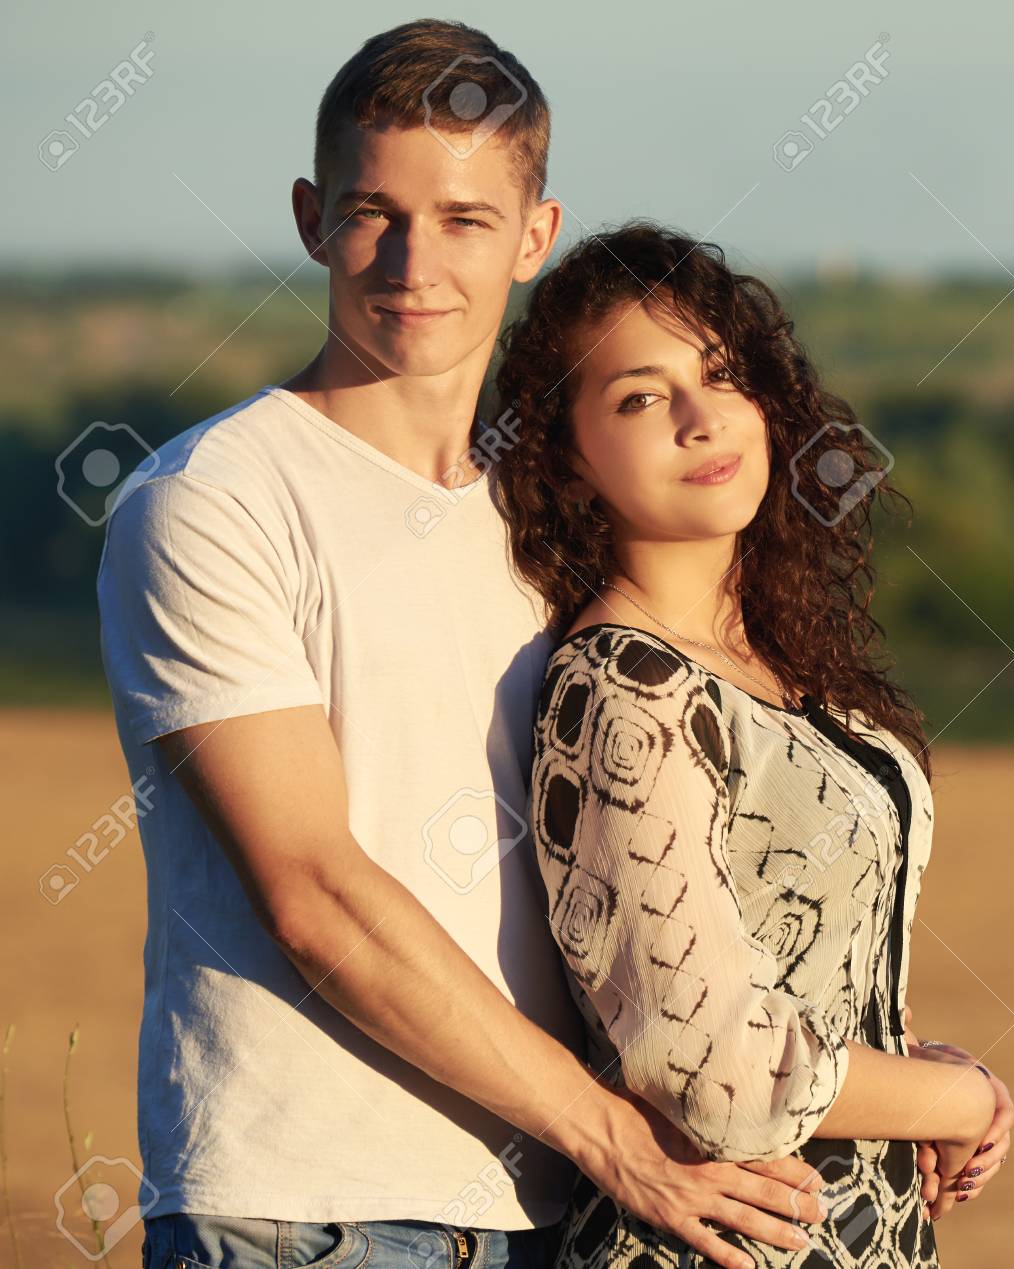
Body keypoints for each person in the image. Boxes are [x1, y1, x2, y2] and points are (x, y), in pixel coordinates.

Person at [97, 21, 837, 1269]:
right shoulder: (211, 502)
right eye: (372, 211)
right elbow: (315, 895)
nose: (411, 262)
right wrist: (609, 1137)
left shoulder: (552, 501)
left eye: (464, 219)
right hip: (309, 1212)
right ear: (309, 218)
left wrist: (860, 1060)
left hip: (556, 1212)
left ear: (536, 236)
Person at [489, 221, 1014, 1266]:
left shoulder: (775, 663)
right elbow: (714, 1065)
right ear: (568, 458)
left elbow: (802, 975)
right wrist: (957, 1097)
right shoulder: (621, 691)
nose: (699, 418)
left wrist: (905, 1072)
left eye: (721, 375)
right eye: (640, 398)